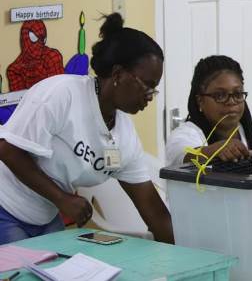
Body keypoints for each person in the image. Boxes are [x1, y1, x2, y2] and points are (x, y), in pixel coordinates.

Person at [0, 13, 174, 244]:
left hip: (44, 215)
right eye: (147, 86)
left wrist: (186, 259)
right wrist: (62, 198)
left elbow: (153, 210)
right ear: (118, 74)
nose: (150, 96)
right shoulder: (61, 94)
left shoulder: (124, 135)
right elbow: (7, 150)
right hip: (5, 206)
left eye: (154, 89)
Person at [165, 55, 252, 166]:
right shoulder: (184, 135)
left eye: (237, 94)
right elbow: (182, 156)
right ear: (200, 101)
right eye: (220, 95)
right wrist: (214, 150)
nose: (231, 101)